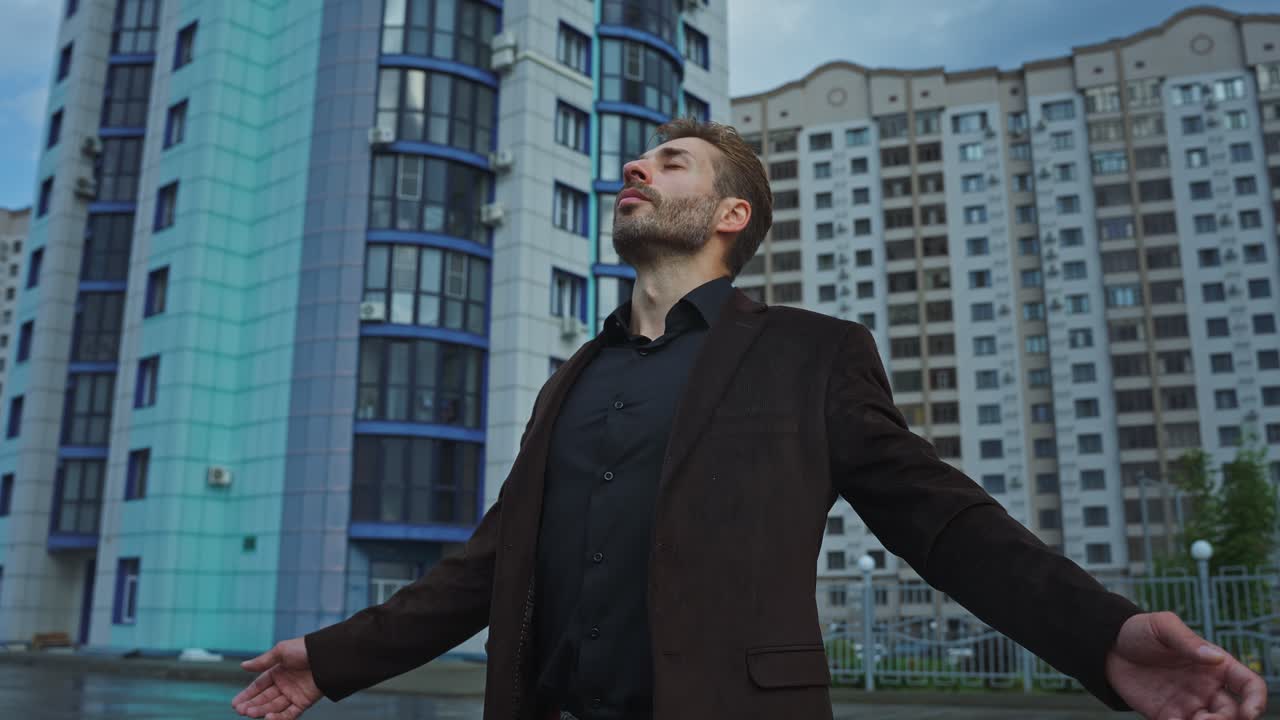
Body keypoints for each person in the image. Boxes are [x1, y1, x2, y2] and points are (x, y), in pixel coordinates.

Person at [232, 118, 1268, 720]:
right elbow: (485, 567)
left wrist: (1105, 635)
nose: (634, 169)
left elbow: (941, 522)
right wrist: (327, 661)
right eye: (636, 163)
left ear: (731, 217)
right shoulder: (569, 378)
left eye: (669, 162)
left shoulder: (808, 355)